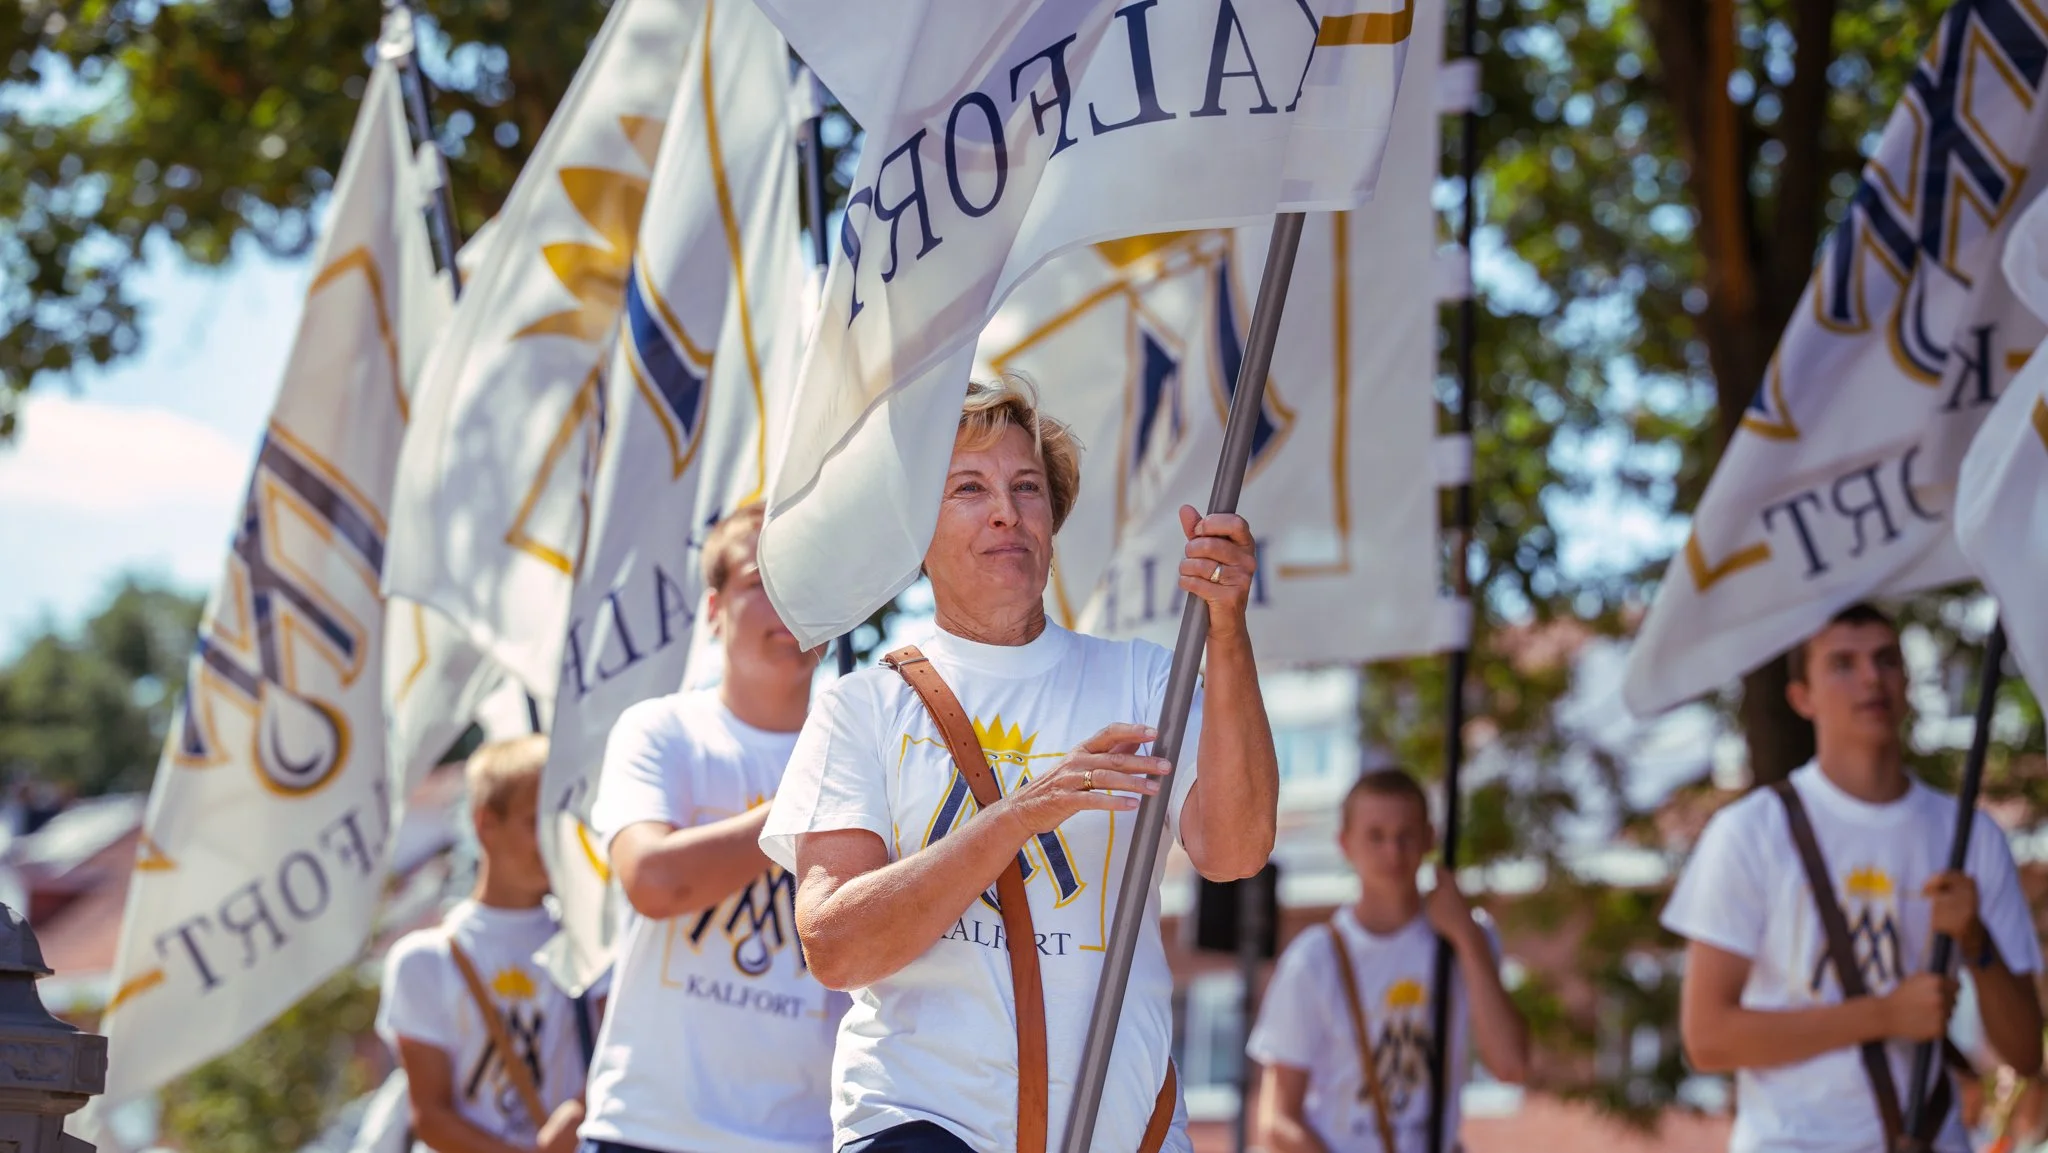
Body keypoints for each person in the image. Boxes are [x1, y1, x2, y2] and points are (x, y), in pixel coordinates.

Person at [761, 379, 1282, 1153]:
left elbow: (1235, 849)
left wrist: (1227, 630)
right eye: (968, 487)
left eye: (1027, 487)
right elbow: (836, 946)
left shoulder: (1144, 681)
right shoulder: (861, 708)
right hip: (921, 1126)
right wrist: (1017, 815)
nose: (1006, 509)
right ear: (914, 532)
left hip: (1127, 1132)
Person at [1662, 602, 2045, 1153]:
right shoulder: (1752, 831)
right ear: (1802, 698)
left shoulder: (1968, 835)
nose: (1871, 678)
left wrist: (1977, 944)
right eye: (1843, 663)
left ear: (1907, 683)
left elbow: (2026, 1051)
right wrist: (1885, 1015)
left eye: (1886, 659)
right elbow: (1709, 1039)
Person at [576, 504, 846, 1153]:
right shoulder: (660, 730)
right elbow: (654, 879)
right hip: (646, 1129)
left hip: (807, 1137)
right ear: (714, 608)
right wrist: (805, 798)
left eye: (806, 583)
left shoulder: (867, 752)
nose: (788, 603)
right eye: (761, 581)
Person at [1247, 768, 1529, 1152]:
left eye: (1406, 835)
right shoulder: (1314, 960)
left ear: (1430, 838)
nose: (1393, 852)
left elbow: (1510, 1066)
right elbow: (1277, 1122)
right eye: (1376, 836)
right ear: (1345, 844)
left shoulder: (1465, 938)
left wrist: (1466, 936)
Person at [378, 736, 589, 1153]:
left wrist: (582, 1110)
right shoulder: (423, 960)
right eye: (535, 821)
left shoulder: (590, 945)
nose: (552, 839)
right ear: (485, 824)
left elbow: (616, 1063)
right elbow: (431, 1116)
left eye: (561, 819)